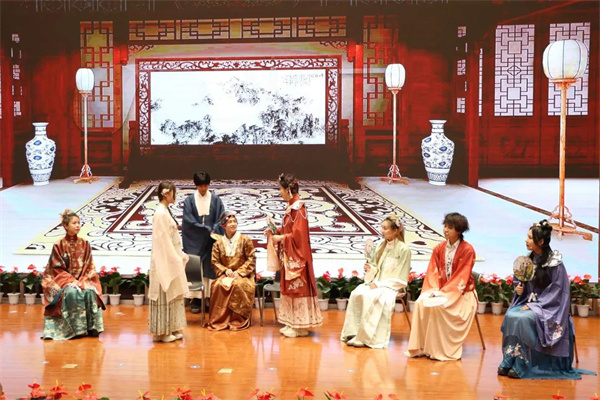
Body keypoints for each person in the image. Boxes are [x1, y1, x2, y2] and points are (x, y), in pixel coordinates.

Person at [498, 220, 591, 379]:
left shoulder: (555, 263)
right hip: (529, 303)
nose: (526, 240)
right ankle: (510, 358)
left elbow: (558, 291)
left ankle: (523, 363)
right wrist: (519, 290)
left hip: (550, 307)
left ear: (540, 241)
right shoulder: (527, 260)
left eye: (530, 237)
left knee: (523, 319)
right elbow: (520, 281)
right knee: (511, 315)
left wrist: (535, 307)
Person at [405, 212, 477, 361]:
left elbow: (461, 277)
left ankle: (439, 349)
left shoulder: (468, 250)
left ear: (459, 230)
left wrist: (443, 293)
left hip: (462, 293)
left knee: (439, 307)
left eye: (450, 227)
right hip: (440, 289)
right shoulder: (439, 248)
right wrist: (433, 290)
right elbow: (432, 272)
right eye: (445, 226)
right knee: (420, 303)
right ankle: (422, 347)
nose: (445, 230)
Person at [263, 173, 323, 337]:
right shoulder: (292, 207)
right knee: (290, 289)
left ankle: (299, 326)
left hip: (298, 257)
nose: (279, 192)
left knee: (297, 289)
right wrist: (275, 231)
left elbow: (299, 236)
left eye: (280, 189)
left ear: (288, 190)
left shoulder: (298, 208)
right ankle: (292, 322)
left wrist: (281, 238)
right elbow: (290, 230)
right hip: (290, 255)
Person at [340, 215, 411, 348]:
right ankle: (354, 332)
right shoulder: (380, 246)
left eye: (385, 228)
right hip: (376, 283)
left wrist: (379, 284)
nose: (382, 231)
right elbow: (375, 267)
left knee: (371, 296)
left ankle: (367, 337)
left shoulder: (404, 250)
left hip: (392, 286)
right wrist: (370, 269)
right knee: (356, 293)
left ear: (395, 231)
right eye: (382, 228)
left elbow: (401, 278)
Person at [41, 209, 105, 340]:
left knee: (89, 291)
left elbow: (89, 266)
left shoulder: (85, 243)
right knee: (71, 292)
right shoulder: (59, 245)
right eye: (74, 223)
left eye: (79, 223)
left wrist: (82, 281)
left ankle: (91, 327)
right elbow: (56, 268)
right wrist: (71, 281)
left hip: (82, 279)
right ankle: (75, 329)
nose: (77, 225)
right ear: (65, 226)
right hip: (62, 282)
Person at [148, 182, 189, 343]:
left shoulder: (165, 211)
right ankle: (162, 331)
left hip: (170, 256)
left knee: (173, 292)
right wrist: (175, 257)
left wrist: (179, 255)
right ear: (166, 194)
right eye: (173, 192)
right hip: (164, 258)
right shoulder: (160, 213)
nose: (175, 195)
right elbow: (163, 240)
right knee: (164, 293)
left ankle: (171, 327)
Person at [182, 171, 225, 313]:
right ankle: (195, 298)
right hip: (195, 239)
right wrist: (204, 229)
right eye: (200, 186)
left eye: (205, 186)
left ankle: (208, 297)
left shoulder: (216, 200)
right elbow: (188, 220)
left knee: (210, 266)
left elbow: (221, 218)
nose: (203, 188)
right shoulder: (189, 201)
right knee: (195, 266)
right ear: (196, 185)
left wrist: (213, 230)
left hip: (211, 239)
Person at [206, 211, 256, 330]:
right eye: (230, 222)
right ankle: (220, 319)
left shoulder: (245, 240)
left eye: (235, 222)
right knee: (217, 285)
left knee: (237, 285)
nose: (233, 224)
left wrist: (239, 272)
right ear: (224, 225)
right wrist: (225, 270)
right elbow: (215, 261)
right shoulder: (218, 243)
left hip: (243, 275)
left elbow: (251, 258)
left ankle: (238, 319)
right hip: (226, 274)